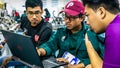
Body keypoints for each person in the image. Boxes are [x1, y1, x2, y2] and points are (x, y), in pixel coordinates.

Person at [37, 0, 104, 68]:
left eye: (71, 17)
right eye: (65, 17)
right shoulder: (61, 32)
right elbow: (50, 45)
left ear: (81, 18)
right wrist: (40, 51)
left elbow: (100, 58)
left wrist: (78, 66)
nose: (67, 21)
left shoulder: (92, 34)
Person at [0, 0, 52, 67]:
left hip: (36, 60)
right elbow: (21, 36)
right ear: (26, 12)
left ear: (42, 11)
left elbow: (38, 54)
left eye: (37, 13)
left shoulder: (46, 29)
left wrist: (13, 57)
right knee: (1, 60)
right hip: (23, 54)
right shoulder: (25, 20)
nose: (34, 17)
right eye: (30, 13)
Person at [82, 0, 120, 68]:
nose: (87, 22)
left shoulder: (115, 30)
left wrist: (89, 45)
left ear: (101, 12)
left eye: (87, 15)